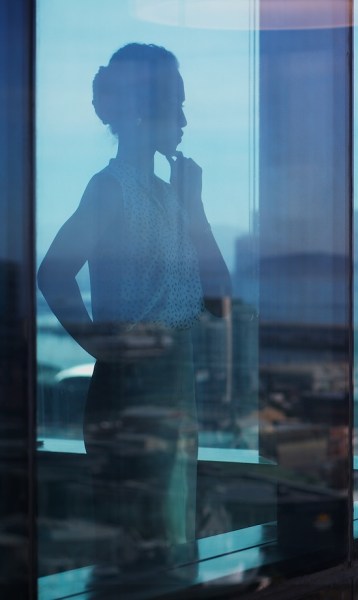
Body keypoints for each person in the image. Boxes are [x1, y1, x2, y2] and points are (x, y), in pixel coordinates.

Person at [37, 43, 231, 569]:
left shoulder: (171, 196)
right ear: (147, 109)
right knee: (142, 550)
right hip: (135, 393)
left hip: (171, 392)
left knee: (166, 540)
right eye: (179, 106)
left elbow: (219, 299)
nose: (187, 120)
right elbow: (53, 273)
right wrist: (106, 348)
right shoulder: (109, 190)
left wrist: (196, 210)